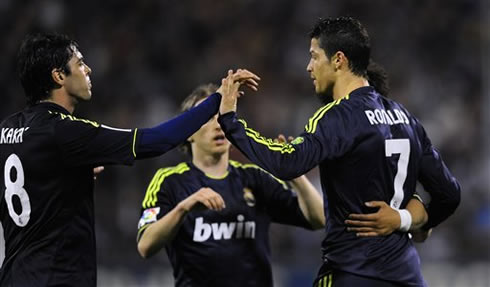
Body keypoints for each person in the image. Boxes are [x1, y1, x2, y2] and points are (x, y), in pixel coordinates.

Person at [217, 17, 461, 287]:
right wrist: (406, 220)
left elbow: (286, 162)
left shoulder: (338, 117)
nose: (309, 67)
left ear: (338, 60)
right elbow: (449, 194)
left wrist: (230, 120)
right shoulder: (406, 118)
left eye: (314, 56)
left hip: (352, 273)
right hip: (407, 276)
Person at [0, 32, 259, 286]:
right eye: (79, 63)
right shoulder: (66, 131)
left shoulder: (7, 130)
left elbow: (27, 183)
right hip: (57, 276)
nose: (88, 69)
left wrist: (64, 178)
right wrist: (217, 100)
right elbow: (157, 140)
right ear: (58, 76)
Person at [136, 83, 325, 287]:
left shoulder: (254, 177)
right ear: (188, 132)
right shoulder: (170, 181)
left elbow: (318, 219)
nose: (218, 125)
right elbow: (146, 246)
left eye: (222, 115)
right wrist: (184, 208)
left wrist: (295, 176)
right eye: (207, 118)